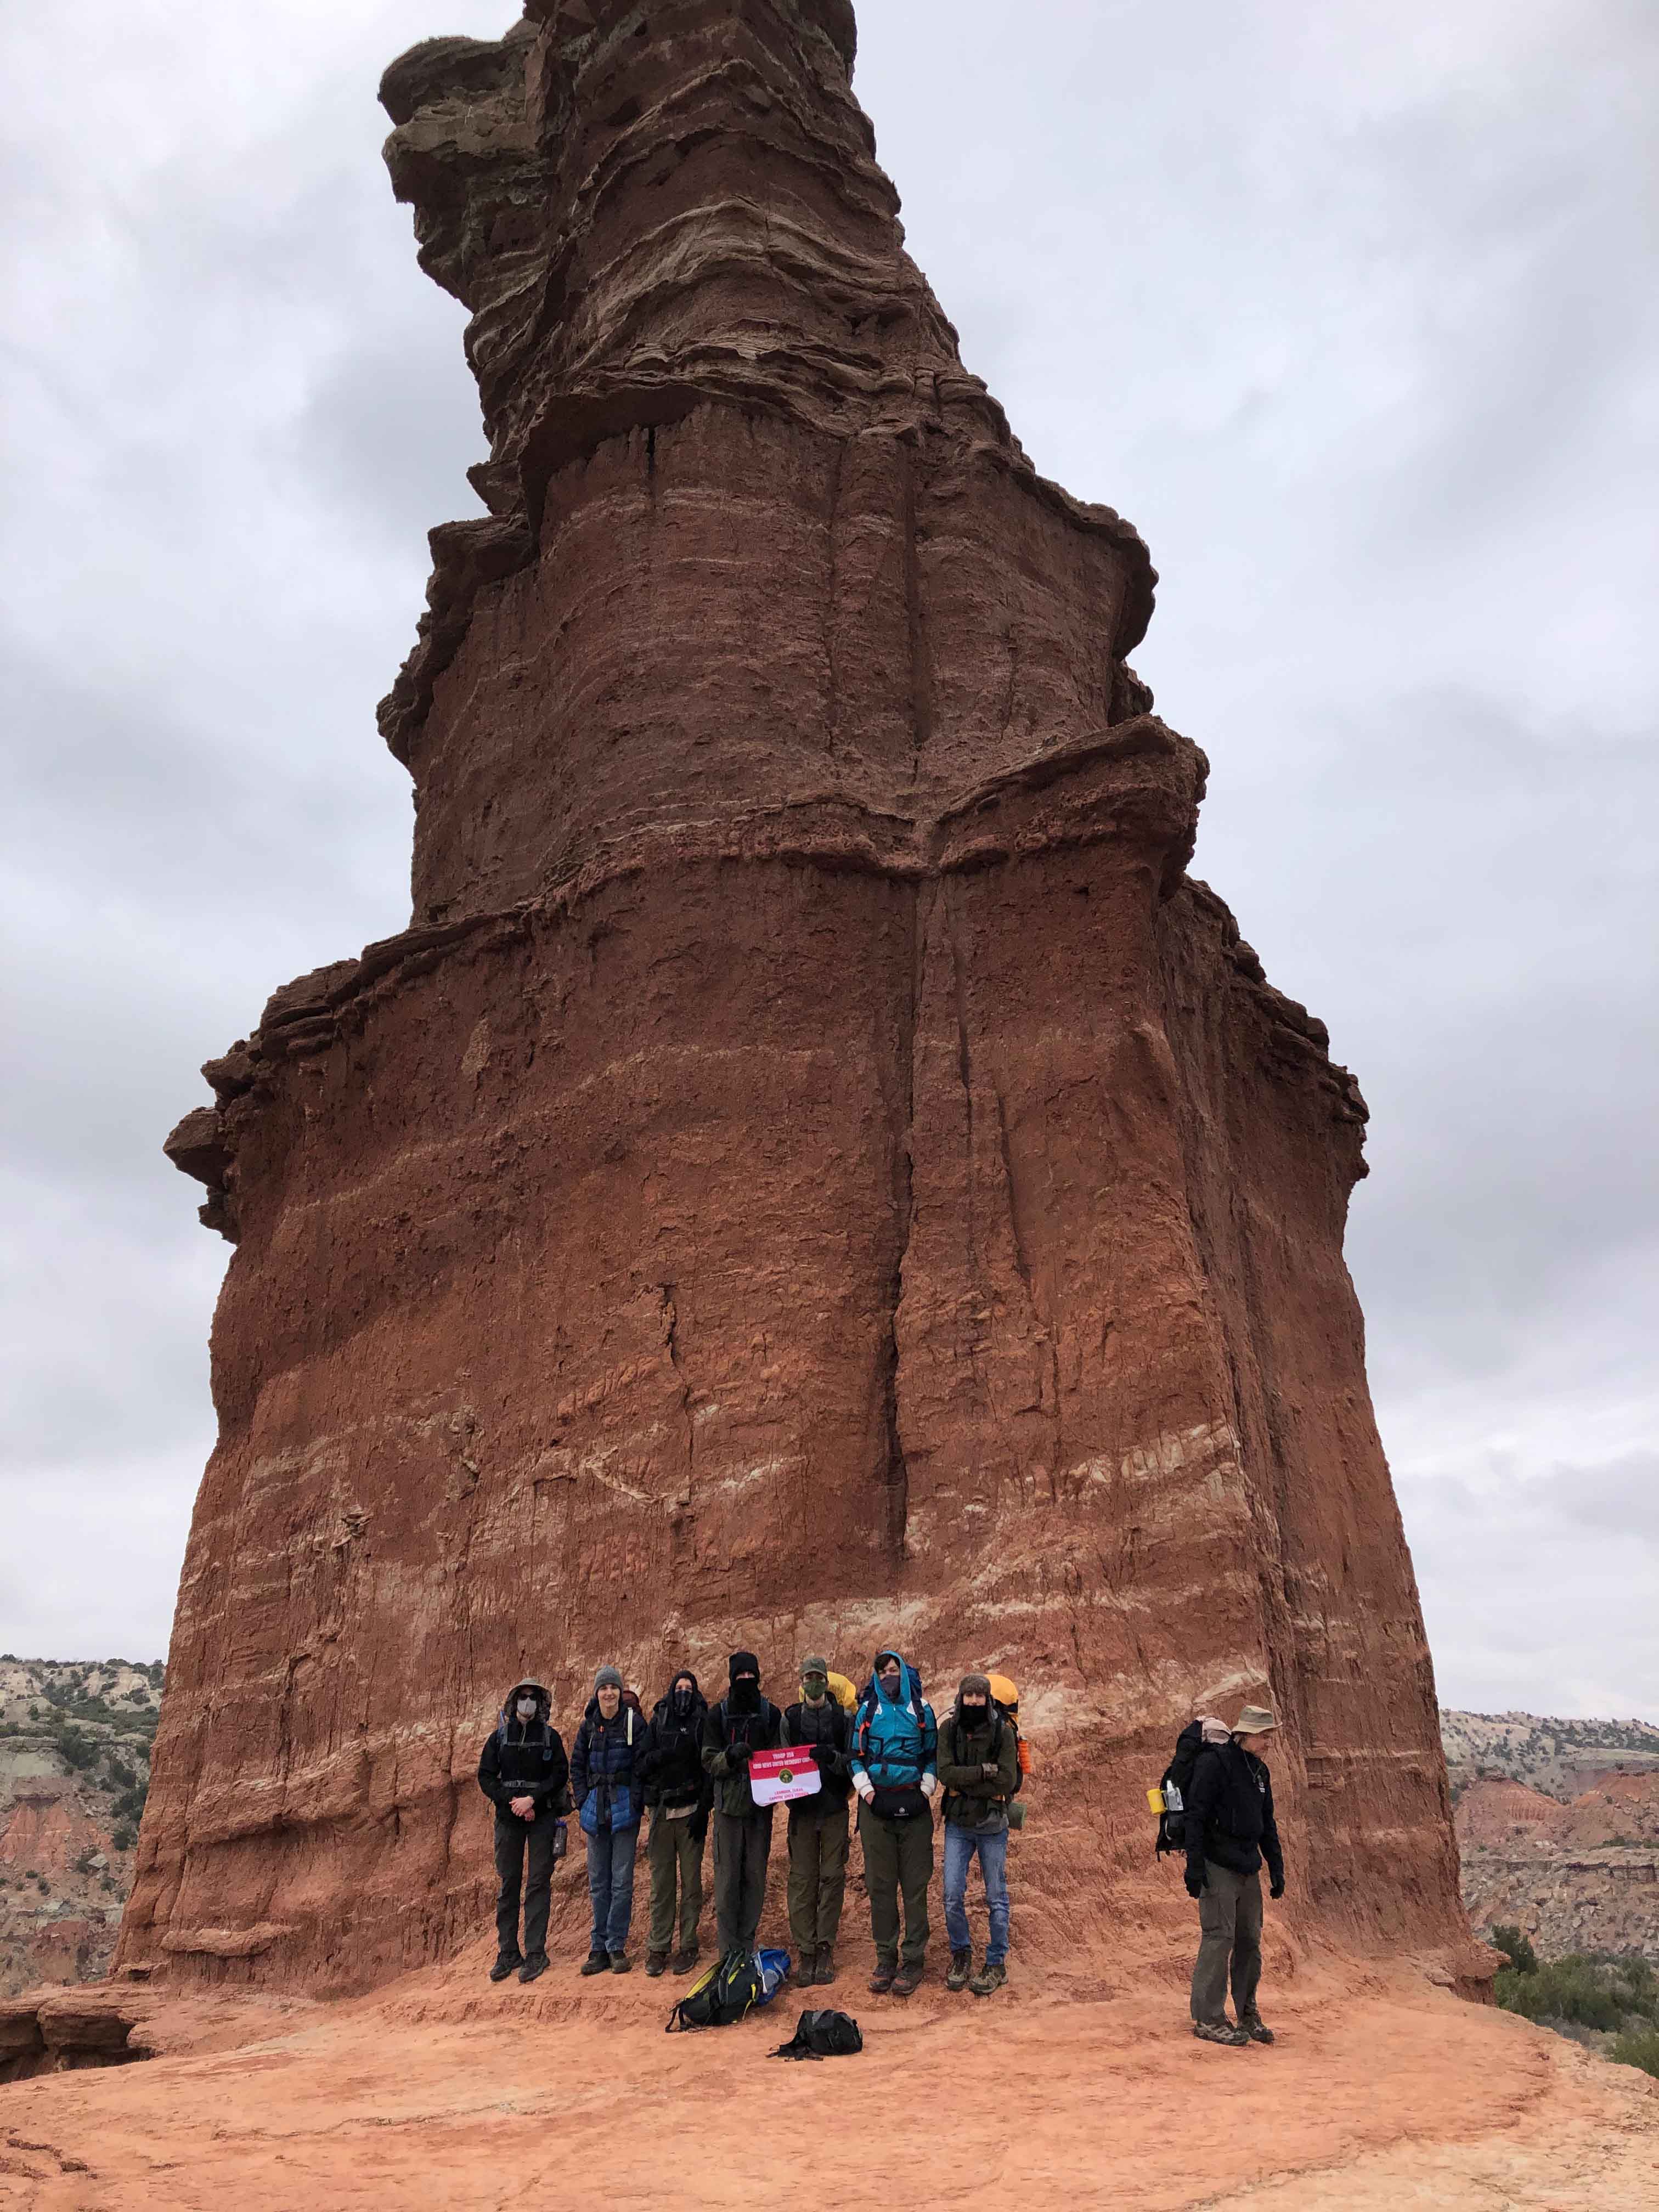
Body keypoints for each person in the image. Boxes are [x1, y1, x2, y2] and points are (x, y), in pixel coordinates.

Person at [1185, 1701, 1286, 2046]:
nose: (1270, 1742)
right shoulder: (1215, 1764)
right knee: (1219, 1937)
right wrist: (1195, 1867)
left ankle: (1248, 2013)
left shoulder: (1259, 1771)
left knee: (1249, 1941)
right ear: (1247, 1735)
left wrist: (1276, 1867)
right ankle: (1208, 2018)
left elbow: (1267, 1824)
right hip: (1217, 1865)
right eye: (1265, 1736)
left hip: (1248, 1867)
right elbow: (1196, 1815)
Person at [849, 1648, 937, 1996]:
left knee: (915, 1886)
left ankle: (914, 1959)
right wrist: (870, 1796)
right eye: (883, 1670)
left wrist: (925, 1792)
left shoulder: (922, 1710)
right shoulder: (868, 1711)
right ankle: (886, 1958)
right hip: (877, 1810)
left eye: (894, 1669)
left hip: (915, 1807)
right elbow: (855, 1758)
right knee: (881, 1887)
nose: (889, 1675)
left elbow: (932, 1754)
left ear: (904, 1672)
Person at [476, 1678, 570, 1985]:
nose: (527, 1703)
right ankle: (508, 1952)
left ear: (540, 1703)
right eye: (523, 1697)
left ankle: (535, 1953)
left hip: (541, 1816)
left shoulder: (550, 1738)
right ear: (514, 1702)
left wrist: (533, 1799)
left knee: (538, 1884)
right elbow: (486, 1777)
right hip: (508, 1818)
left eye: (532, 1698)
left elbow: (559, 1774)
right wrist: (513, 1802)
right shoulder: (498, 1739)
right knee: (508, 1885)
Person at [935, 1671, 1019, 1995]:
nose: (973, 1701)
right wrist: (984, 1772)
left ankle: (996, 1963)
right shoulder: (949, 1729)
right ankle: (961, 1954)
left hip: (993, 1825)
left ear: (987, 1699)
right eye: (968, 1696)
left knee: (996, 1897)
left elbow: (1007, 1781)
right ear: (961, 1697)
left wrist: (966, 1779)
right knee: (951, 1894)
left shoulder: (1003, 1732)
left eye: (979, 1696)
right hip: (958, 1824)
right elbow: (945, 1773)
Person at [701, 1650, 782, 1956]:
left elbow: (781, 1757)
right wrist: (730, 1757)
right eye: (740, 1677)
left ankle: (746, 1946)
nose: (746, 1681)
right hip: (727, 1810)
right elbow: (708, 1760)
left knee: (755, 1880)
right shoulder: (717, 1715)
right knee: (726, 1884)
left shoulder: (771, 1714)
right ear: (732, 1679)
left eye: (751, 1676)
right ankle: (728, 1951)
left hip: (761, 1809)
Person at [780, 1654, 853, 1985]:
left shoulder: (843, 1718)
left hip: (836, 1808)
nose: (814, 1682)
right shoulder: (791, 1719)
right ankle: (806, 1949)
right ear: (802, 1681)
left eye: (818, 1677)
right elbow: (781, 1766)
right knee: (802, 1881)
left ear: (826, 1681)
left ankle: (825, 1947)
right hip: (803, 1813)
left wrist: (833, 1758)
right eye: (808, 1677)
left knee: (833, 1878)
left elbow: (854, 1762)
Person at [569, 1664, 646, 1974]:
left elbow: (642, 1765)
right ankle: (598, 1948)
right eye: (604, 1688)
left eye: (613, 1687)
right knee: (598, 1883)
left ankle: (617, 1946)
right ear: (597, 1692)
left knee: (622, 1882)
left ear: (619, 1690)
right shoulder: (588, 1727)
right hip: (595, 1810)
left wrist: (637, 1802)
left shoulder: (634, 1723)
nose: (609, 1693)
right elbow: (577, 1764)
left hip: (625, 1810)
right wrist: (583, 1798)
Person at [640, 1669, 709, 1976]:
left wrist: (703, 1812)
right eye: (679, 1687)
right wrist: (658, 1759)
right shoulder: (659, 1720)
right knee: (661, 1885)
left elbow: (708, 1770)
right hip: (662, 1813)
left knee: (692, 1884)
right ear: (671, 1690)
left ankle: (689, 1945)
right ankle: (658, 1947)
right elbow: (640, 1764)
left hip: (691, 1810)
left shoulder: (701, 1722)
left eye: (689, 1688)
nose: (683, 1693)